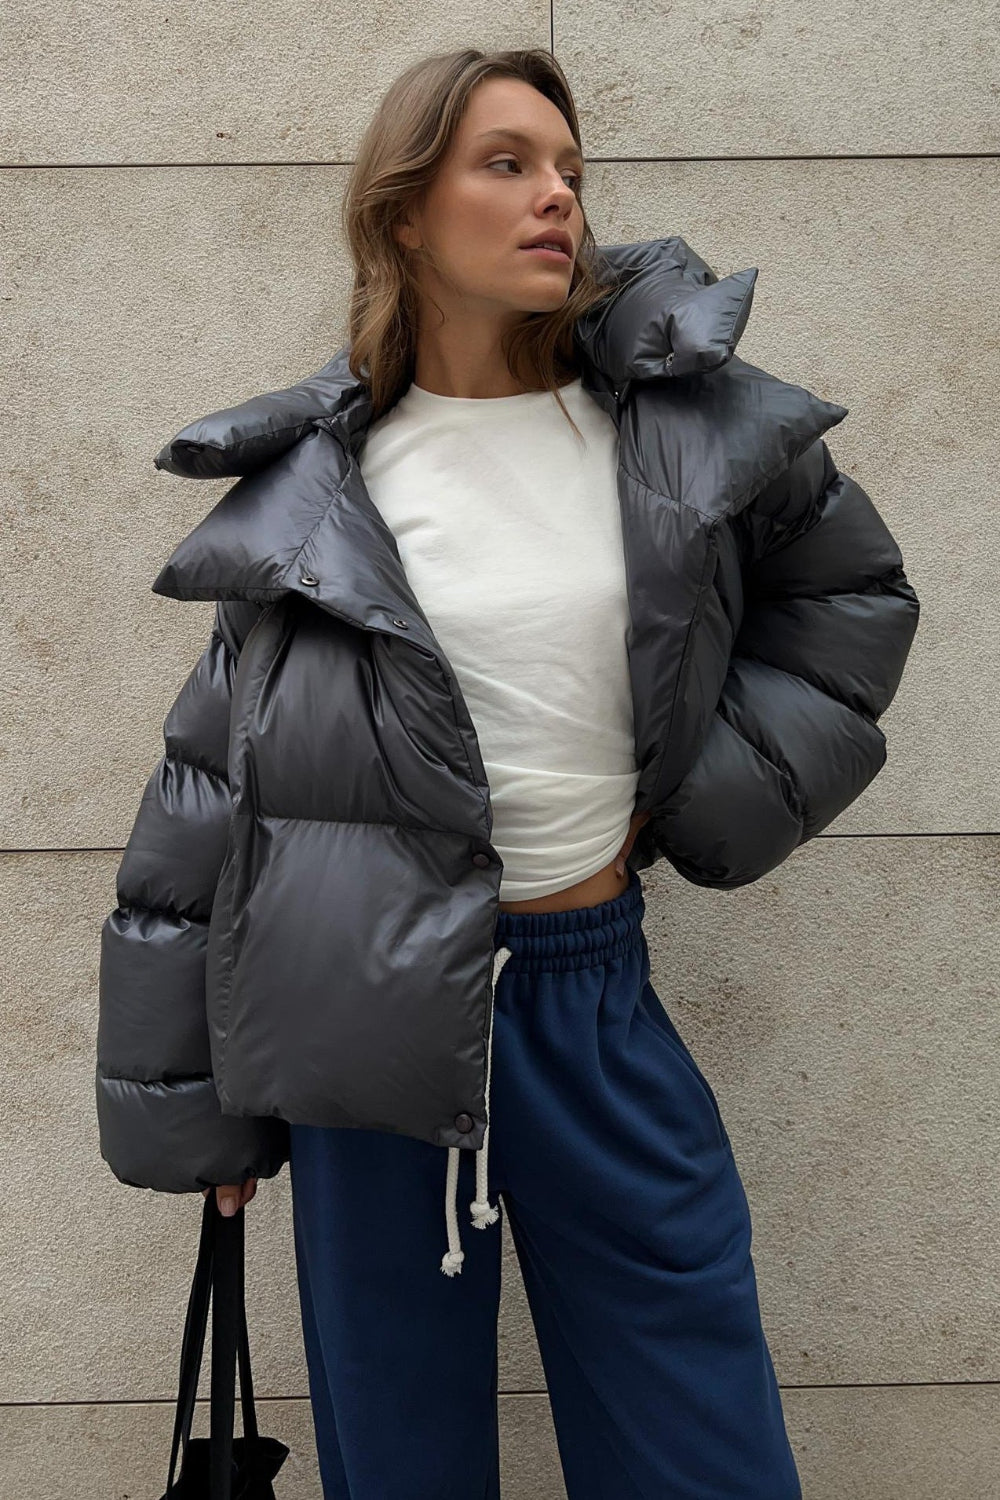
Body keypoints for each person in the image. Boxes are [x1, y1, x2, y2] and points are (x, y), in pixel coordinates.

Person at [96, 46, 920, 1500]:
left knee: (699, 1440)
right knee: (400, 1457)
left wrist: (712, 789)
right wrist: (198, 1118)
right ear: (404, 214)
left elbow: (851, 603)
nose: (558, 199)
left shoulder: (676, 424)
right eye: (508, 164)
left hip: (589, 993)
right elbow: (208, 797)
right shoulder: (322, 488)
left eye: (570, 172)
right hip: (359, 1027)